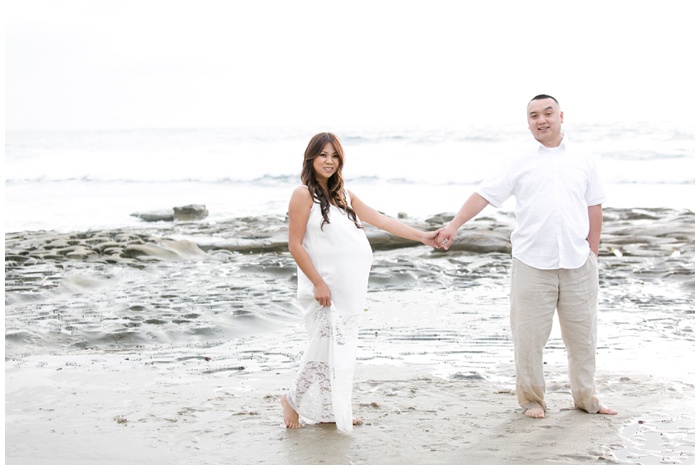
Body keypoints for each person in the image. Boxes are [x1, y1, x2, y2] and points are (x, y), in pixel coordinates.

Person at [436, 95, 617, 419]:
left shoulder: (583, 157)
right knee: (529, 340)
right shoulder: (518, 159)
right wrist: (454, 224)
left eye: (548, 113)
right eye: (534, 115)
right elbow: (484, 195)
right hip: (532, 262)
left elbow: (594, 206)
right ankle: (532, 400)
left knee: (583, 338)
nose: (541, 120)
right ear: (528, 121)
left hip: (578, 262)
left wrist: (593, 251)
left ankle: (586, 398)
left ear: (561, 115)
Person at [281, 132, 440, 432]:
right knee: (322, 346)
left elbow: (381, 220)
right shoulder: (303, 195)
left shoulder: (344, 194)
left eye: (334, 156)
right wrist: (317, 282)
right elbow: (295, 244)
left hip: (350, 288)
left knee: (338, 349)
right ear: (311, 158)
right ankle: (292, 400)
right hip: (324, 286)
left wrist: (422, 236)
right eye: (323, 155)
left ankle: (330, 409)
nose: (329, 161)